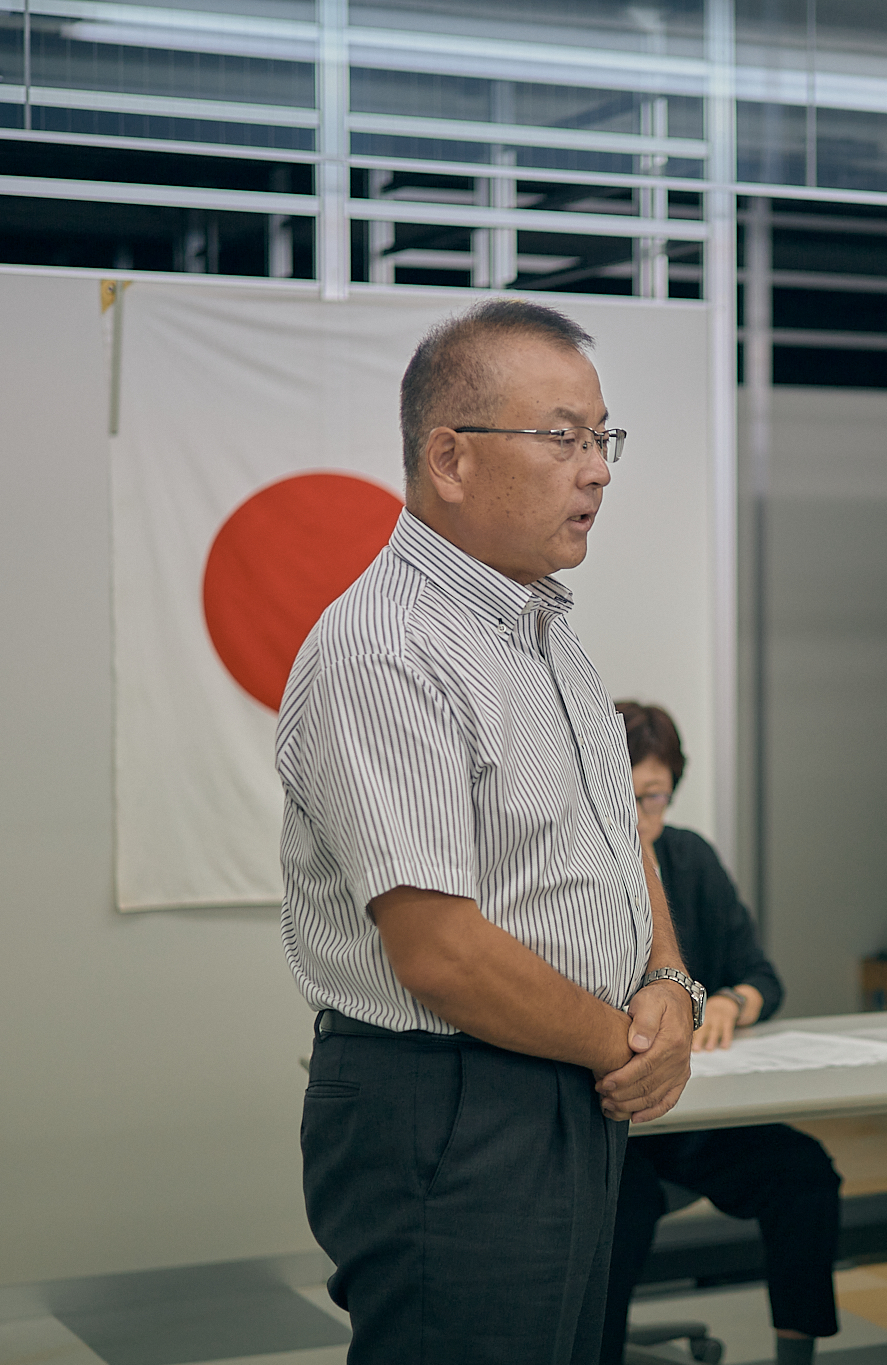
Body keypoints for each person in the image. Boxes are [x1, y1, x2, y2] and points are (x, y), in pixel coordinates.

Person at [279, 300, 703, 1365]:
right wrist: (632, 1046)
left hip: (566, 1079)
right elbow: (441, 952)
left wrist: (668, 983)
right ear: (450, 459)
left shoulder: (544, 634)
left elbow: (620, 836)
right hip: (454, 1100)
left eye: (603, 437)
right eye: (563, 436)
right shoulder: (387, 649)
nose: (597, 469)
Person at [600, 702, 842, 1365]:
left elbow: (761, 973)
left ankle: (796, 1353)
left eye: (657, 795)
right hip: (612, 1118)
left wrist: (735, 1000)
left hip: (693, 1110)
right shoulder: (577, 876)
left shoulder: (689, 857)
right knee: (622, 1206)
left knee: (804, 1174)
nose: (646, 813)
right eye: (631, 795)